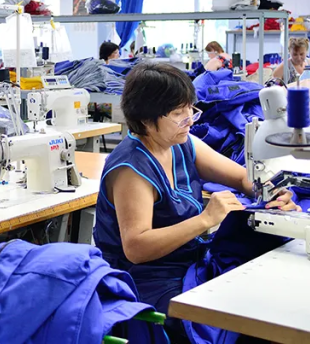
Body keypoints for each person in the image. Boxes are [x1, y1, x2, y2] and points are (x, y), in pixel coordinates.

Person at [93, 64, 298, 341]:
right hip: (147, 279)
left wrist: (271, 192)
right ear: (145, 120)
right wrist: (205, 219)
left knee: (266, 289)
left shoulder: (181, 143)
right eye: (178, 113)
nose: (189, 119)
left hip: (190, 260)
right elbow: (136, 247)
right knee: (231, 320)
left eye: (190, 108)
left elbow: (241, 178)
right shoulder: (131, 169)